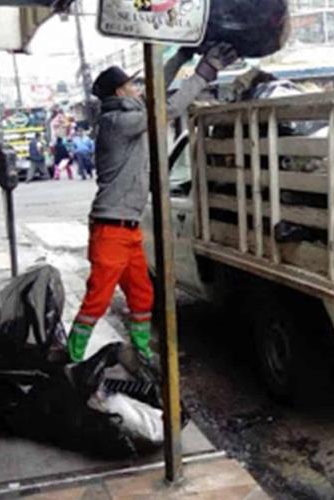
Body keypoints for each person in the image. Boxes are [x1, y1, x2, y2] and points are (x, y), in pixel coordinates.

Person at [67, 42, 239, 363]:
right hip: (111, 230)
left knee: (142, 295)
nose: (137, 88)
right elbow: (168, 109)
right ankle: (71, 358)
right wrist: (205, 72)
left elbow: (154, 92)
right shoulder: (117, 123)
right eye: (131, 85)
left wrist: (183, 56)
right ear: (120, 92)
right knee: (97, 299)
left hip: (128, 229)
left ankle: (141, 352)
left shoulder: (129, 113)